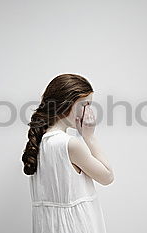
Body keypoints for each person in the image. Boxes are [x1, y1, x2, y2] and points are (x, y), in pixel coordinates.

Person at [22, 73, 114, 233]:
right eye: (85, 105)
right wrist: (89, 137)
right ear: (66, 104)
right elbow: (107, 177)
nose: (88, 111)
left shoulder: (39, 143)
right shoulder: (71, 144)